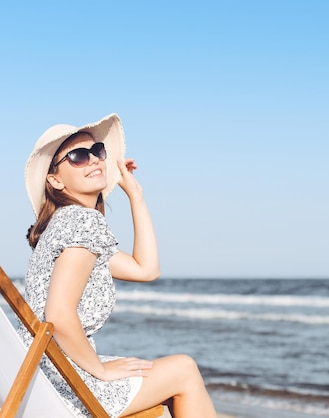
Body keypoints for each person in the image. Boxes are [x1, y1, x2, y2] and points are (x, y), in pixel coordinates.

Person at [20, 113, 216, 418]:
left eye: (97, 151)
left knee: (159, 372)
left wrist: (136, 196)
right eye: (78, 157)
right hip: (62, 382)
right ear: (55, 180)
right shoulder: (82, 223)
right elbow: (58, 314)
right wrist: (100, 369)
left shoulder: (66, 226)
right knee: (184, 369)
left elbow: (146, 269)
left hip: (38, 375)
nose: (95, 160)